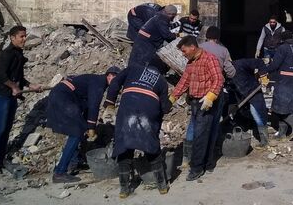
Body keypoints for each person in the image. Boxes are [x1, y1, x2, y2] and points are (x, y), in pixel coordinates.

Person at [103, 64, 172, 198]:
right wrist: (169, 103)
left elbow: (115, 82)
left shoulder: (133, 68)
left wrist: (110, 102)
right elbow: (164, 108)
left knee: (124, 145)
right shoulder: (162, 82)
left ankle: (124, 189)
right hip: (149, 112)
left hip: (128, 108)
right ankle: (162, 186)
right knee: (150, 145)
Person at [45, 67, 120, 183]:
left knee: (78, 130)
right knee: (76, 133)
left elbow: (87, 105)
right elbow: (93, 105)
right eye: (116, 78)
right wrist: (91, 127)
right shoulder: (99, 82)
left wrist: (88, 124)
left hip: (62, 96)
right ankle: (60, 172)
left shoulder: (95, 81)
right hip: (63, 98)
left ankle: (73, 162)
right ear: (109, 75)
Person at [0, 26, 42, 171]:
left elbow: (19, 77)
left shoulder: (18, 54)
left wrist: (30, 85)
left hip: (12, 97)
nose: (24, 39)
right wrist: (13, 87)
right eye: (21, 36)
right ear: (12, 38)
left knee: (7, 129)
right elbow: (0, 76)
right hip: (3, 96)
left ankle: (0, 160)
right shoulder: (6, 54)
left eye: (25, 36)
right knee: (0, 128)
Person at [169, 36, 224, 181]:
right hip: (194, 102)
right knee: (203, 133)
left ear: (192, 47)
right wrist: (172, 98)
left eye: (184, 50)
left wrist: (210, 96)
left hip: (205, 102)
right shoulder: (191, 63)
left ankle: (197, 168)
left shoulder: (209, 59)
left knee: (201, 135)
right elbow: (184, 81)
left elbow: (218, 79)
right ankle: (208, 163)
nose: (183, 53)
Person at [181, 26, 235, 166]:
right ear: (217, 37)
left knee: (193, 123)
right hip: (213, 92)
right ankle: (210, 155)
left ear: (206, 36)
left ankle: (187, 156)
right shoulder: (223, 50)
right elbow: (230, 72)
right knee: (212, 123)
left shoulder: (198, 48)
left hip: (195, 91)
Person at [263, 30, 293, 141]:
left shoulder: (282, 48)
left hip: (283, 82)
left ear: (282, 39)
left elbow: (275, 65)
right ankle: (282, 134)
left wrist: (264, 70)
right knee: (286, 109)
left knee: (279, 108)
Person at [230, 58, 270, 147]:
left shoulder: (240, 63)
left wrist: (263, 76)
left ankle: (265, 141)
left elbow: (259, 62)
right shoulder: (224, 73)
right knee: (242, 114)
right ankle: (246, 130)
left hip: (253, 92)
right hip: (241, 96)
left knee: (258, 115)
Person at [128, 5, 178, 69]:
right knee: (142, 61)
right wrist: (176, 36)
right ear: (171, 14)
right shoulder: (162, 19)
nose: (173, 17)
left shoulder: (158, 16)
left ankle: (130, 74)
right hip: (146, 43)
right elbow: (167, 35)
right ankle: (136, 75)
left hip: (141, 41)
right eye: (174, 15)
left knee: (135, 59)